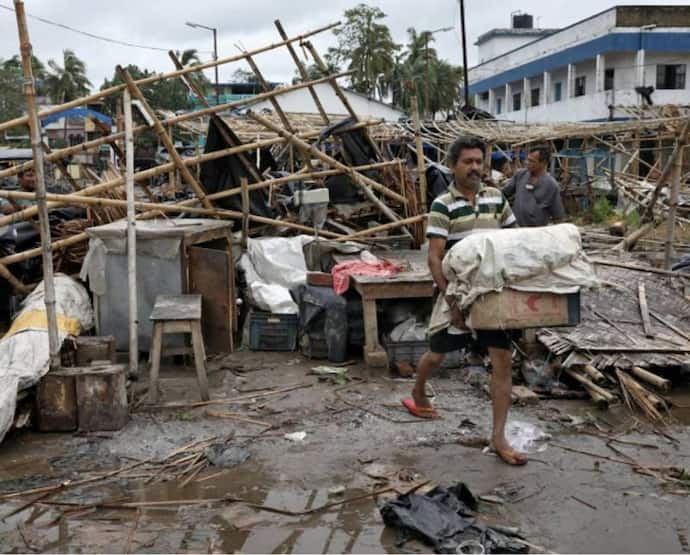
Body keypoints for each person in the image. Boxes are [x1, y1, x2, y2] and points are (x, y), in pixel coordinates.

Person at [401, 136, 527, 466]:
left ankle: (499, 438)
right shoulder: (443, 204)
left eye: (478, 161)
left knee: (501, 359)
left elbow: (514, 242)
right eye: (467, 162)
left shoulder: (497, 199)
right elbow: (434, 258)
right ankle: (418, 391)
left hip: (492, 296)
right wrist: (453, 303)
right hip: (456, 293)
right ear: (453, 166)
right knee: (437, 354)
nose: (474, 167)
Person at [502, 146, 565, 227]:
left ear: (543, 163)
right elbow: (503, 194)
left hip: (536, 233)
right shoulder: (520, 175)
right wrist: (491, 183)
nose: (527, 162)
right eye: (527, 159)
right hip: (515, 229)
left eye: (531, 161)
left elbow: (558, 217)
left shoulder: (551, 185)